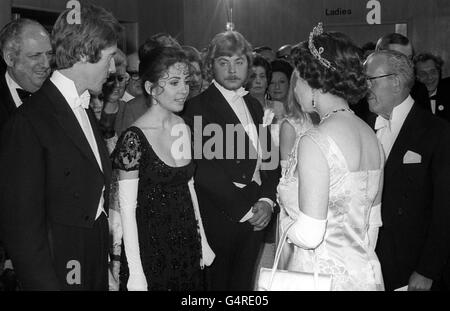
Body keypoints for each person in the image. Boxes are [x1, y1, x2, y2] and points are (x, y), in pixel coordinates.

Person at [0, 3, 121, 290]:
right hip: (57, 271)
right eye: (109, 57)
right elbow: (22, 231)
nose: (113, 68)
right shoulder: (28, 122)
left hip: (89, 263)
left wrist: (102, 269)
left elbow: (93, 204)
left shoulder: (83, 107)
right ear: (82, 54)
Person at [277, 24, 385, 291]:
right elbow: (372, 227)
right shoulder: (371, 135)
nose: (295, 88)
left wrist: (284, 223)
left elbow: (310, 235)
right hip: (363, 274)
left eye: (297, 79)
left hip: (318, 277)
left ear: (313, 81)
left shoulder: (314, 140)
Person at [182, 30, 280, 290]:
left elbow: (269, 160)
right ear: (210, 66)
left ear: (249, 64)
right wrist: (246, 210)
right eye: (223, 62)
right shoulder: (196, 108)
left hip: (257, 212)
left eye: (239, 62)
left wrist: (267, 201)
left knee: (244, 286)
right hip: (220, 217)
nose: (232, 70)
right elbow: (203, 170)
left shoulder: (254, 105)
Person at [111, 45, 214, 291]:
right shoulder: (134, 139)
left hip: (187, 242)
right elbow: (126, 210)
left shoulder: (182, 126)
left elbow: (189, 188)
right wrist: (135, 271)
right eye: (174, 83)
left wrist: (203, 241)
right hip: (150, 249)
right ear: (151, 88)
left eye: (186, 82)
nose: (184, 90)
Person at [364, 50, 450, 291]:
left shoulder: (436, 132)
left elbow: (444, 209)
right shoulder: (365, 127)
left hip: (411, 266)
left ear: (397, 81)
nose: (365, 87)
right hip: (368, 261)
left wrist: (427, 270)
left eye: (371, 80)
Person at [0, 18, 52, 132]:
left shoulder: (58, 96)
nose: (46, 64)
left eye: (49, 54)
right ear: (10, 58)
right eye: (35, 55)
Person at [247, 55, 284, 146]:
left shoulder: (278, 107)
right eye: (253, 76)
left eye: (262, 76)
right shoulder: (238, 108)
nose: (258, 81)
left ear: (267, 80)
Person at [414, 52, 450, 122]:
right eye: (423, 74)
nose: (429, 77)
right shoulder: (411, 99)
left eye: (433, 72)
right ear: (415, 77)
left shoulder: (447, 91)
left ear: (439, 72)